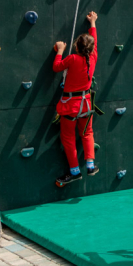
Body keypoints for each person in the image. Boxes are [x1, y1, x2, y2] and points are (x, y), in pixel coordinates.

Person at [53, 11, 99, 187]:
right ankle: (90, 165)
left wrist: (60, 51)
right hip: (86, 104)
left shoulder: (72, 59)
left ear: (76, 47)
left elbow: (57, 67)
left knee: (68, 137)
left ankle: (74, 171)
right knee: (87, 133)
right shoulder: (93, 58)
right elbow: (95, 42)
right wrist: (93, 23)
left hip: (70, 106)